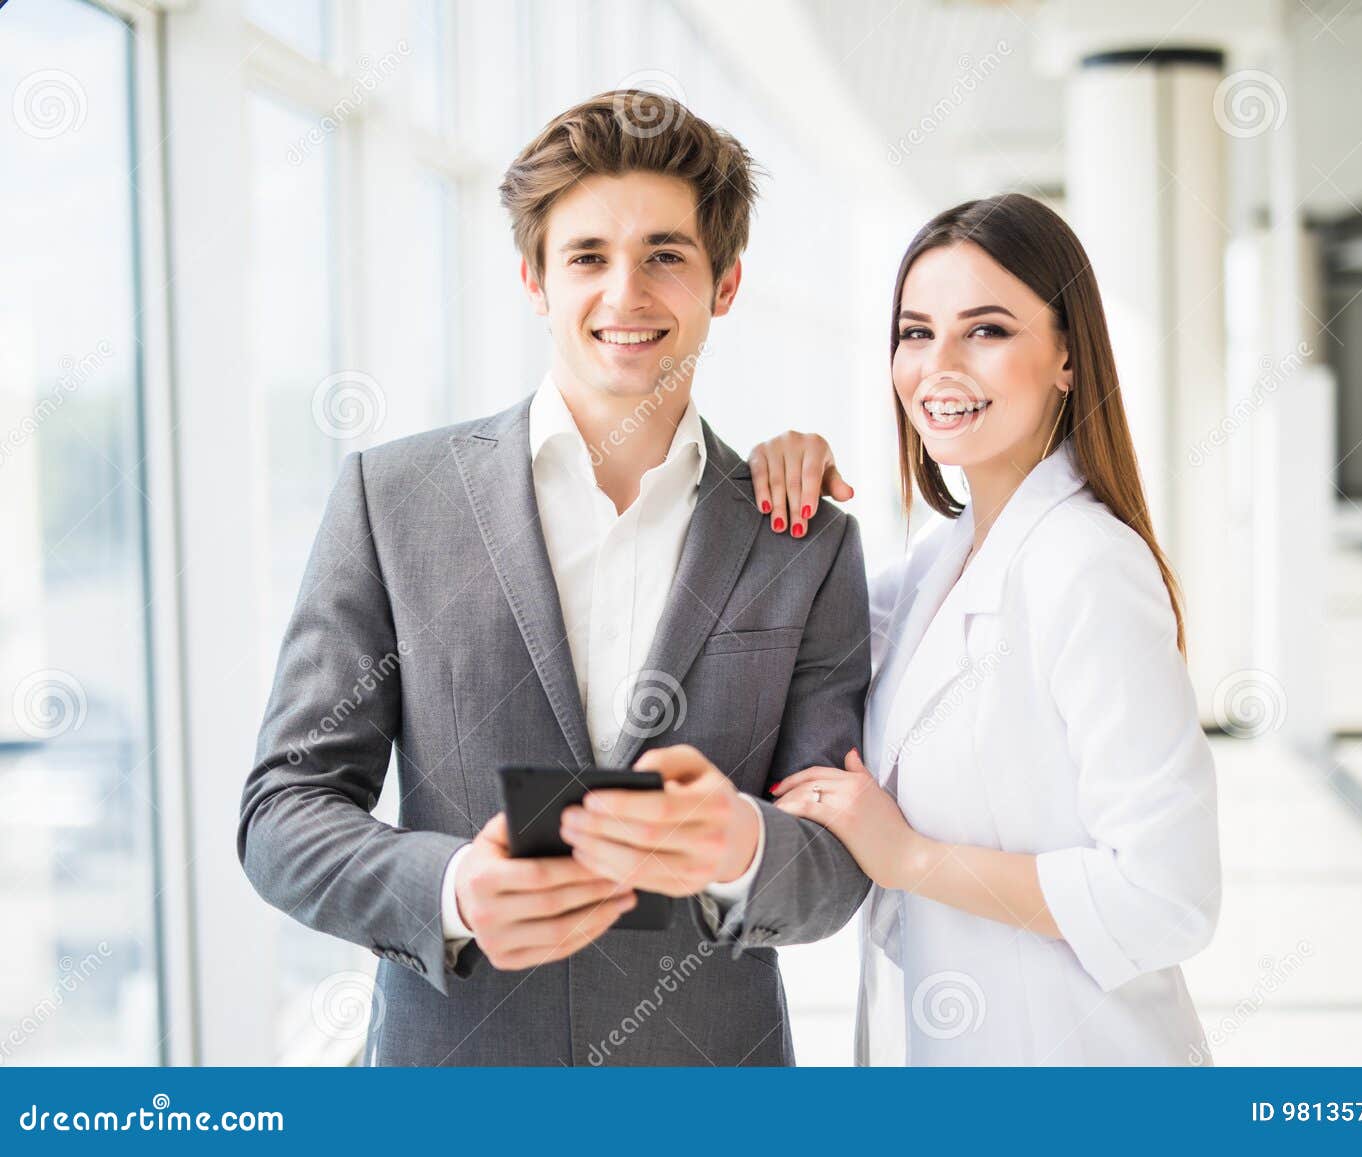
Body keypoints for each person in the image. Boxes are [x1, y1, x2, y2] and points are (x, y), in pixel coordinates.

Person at [238, 91, 871, 1066]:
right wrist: (449, 888)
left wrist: (739, 843)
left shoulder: (802, 536)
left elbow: (835, 858)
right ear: (534, 279)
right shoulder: (392, 499)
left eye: (666, 254)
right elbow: (284, 808)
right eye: (587, 257)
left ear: (727, 283)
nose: (625, 294)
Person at [747, 194, 1221, 1065]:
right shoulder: (945, 553)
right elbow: (795, 633)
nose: (940, 366)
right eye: (916, 332)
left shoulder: (1088, 567)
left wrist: (913, 859)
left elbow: (1169, 895)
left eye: (987, 330)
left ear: (1068, 357)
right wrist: (781, 486)